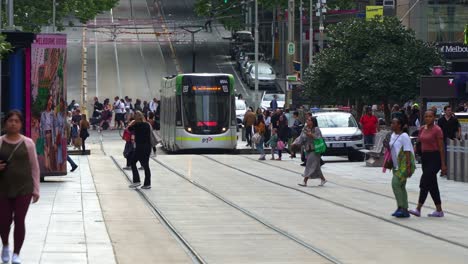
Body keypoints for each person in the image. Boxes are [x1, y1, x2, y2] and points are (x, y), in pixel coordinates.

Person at [0, 110, 40, 264]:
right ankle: (5, 246)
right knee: (3, 221)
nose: (13, 123)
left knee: (19, 220)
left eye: (17, 121)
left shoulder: (28, 143)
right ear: (5, 123)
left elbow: (34, 167)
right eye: (10, 120)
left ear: (21, 124)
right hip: (3, 188)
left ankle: (16, 253)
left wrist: (36, 189)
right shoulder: (1, 142)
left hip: (24, 188)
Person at [409, 111, 446, 217]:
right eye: (426, 116)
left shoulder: (437, 130)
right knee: (432, 184)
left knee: (424, 182)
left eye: (430, 116)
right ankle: (439, 210)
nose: (428, 118)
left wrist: (443, 164)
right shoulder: (422, 129)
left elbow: (441, 148)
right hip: (425, 158)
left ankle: (418, 208)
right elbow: (419, 143)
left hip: (435, 158)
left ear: (434, 117)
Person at [388, 118, 415, 218]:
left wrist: (408, 167)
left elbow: (407, 151)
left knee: (395, 184)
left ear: (399, 125)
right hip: (396, 165)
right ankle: (404, 209)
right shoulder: (392, 135)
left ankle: (401, 207)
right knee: (401, 186)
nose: (391, 124)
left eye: (393, 123)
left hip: (404, 165)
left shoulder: (404, 136)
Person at [298, 117, 327, 187]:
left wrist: (311, 135)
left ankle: (305, 181)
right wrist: (296, 144)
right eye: (307, 120)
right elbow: (301, 138)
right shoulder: (305, 129)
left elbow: (319, 138)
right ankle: (323, 179)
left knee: (309, 164)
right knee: (316, 167)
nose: (307, 121)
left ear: (313, 122)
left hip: (316, 150)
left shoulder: (316, 129)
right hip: (308, 149)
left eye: (309, 120)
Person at [127, 111, 152, 189]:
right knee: (146, 165)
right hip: (147, 147)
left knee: (132, 162)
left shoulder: (136, 125)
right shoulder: (147, 125)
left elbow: (128, 129)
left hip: (140, 147)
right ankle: (147, 183)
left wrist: (132, 122)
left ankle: (136, 181)